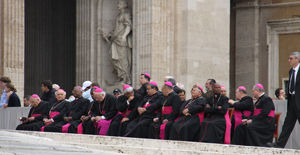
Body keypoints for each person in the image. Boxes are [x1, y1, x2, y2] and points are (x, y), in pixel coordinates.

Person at [267, 52, 300, 148]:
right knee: (287, 125)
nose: (289, 60)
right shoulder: (291, 71)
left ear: (297, 59)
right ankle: (279, 144)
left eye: (291, 58)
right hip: (292, 101)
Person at [103, 0, 132, 84]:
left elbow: (128, 26)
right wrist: (109, 35)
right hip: (116, 40)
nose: (118, 5)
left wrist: (124, 35)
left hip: (122, 41)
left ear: (124, 5)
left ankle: (125, 78)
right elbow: (117, 29)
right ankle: (120, 76)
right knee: (113, 58)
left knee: (123, 59)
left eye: (120, 4)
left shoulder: (126, 15)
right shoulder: (119, 15)